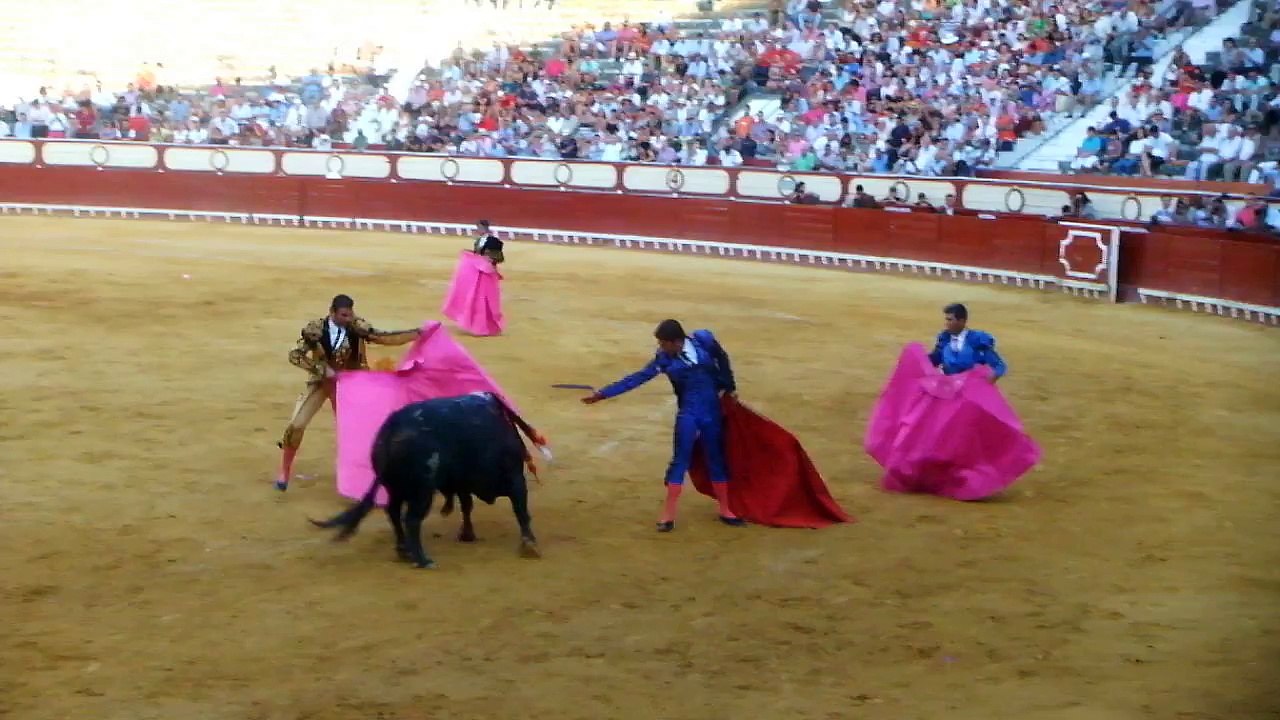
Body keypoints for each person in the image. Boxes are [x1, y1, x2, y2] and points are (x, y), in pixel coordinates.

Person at [582, 320, 745, 531]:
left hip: (712, 412)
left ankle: (725, 509)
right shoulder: (664, 359)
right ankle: (668, 515)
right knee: (680, 460)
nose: (660, 347)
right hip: (689, 414)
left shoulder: (703, 340)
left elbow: (722, 358)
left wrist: (728, 386)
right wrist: (604, 393)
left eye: (663, 343)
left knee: (716, 458)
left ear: (677, 342)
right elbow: (638, 378)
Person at [275, 294, 421, 491]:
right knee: (297, 425)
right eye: (343, 315)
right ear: (332, 312)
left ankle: (367, 477)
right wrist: (321, 369)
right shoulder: (316, 329)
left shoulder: (357, 326)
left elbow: (384, 338)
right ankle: (284, 470)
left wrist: (417, 334)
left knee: (361, 431)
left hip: (351, 386)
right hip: (321, 384)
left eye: (350, 315)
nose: (347, 319)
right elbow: (294, 355)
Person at [928, 303, 1006, 382]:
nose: (946, 323)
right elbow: (934, 359)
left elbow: (999, 365)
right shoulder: (944, 338)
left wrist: (991, 379)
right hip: (949, 389)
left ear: (961, 321)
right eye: (946, 319)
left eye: (950, 320)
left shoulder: (977, 340)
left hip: (971, 388)